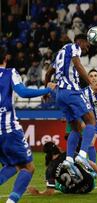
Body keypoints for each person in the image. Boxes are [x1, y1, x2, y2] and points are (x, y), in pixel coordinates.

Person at [0, 46, 56, 203]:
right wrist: (46, 90)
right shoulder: (9, 73)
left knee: (12, 165)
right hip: (9, 130)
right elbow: (23, 92)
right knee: (28, 168)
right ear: (6, 58)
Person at [44, 33, 96, 177]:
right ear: (80, 41)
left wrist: (46, 91)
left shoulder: (60, 53)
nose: (88, 46)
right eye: (87, 43)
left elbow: (48, 73)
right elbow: (78, 65)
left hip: (60, 95)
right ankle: (82, 156)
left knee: (76, 128)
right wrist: (90, 82)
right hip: (72, 91)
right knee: (91, 120)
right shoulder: (74, 47)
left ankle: (68, 160)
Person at [27, 142, 97, 195]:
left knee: (51, 182)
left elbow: (50, 192)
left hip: (74, 191)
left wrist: (38, 193)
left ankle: (57, 185)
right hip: (89, 185)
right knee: (84, 165)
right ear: (57, 148)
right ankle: (92, 175)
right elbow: (92, 164)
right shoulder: (69, 154)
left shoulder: (49, 169)